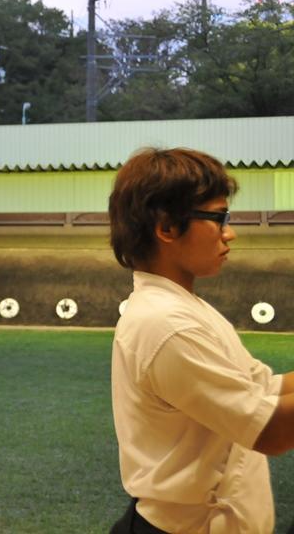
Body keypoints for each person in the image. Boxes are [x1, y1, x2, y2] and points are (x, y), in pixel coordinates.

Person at [108, 148, 294, 534]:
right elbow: (271, 431)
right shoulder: (168, 324)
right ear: (167, 228)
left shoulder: (185, 308)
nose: (230, 233)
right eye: (218, 218)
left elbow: (264, 389)